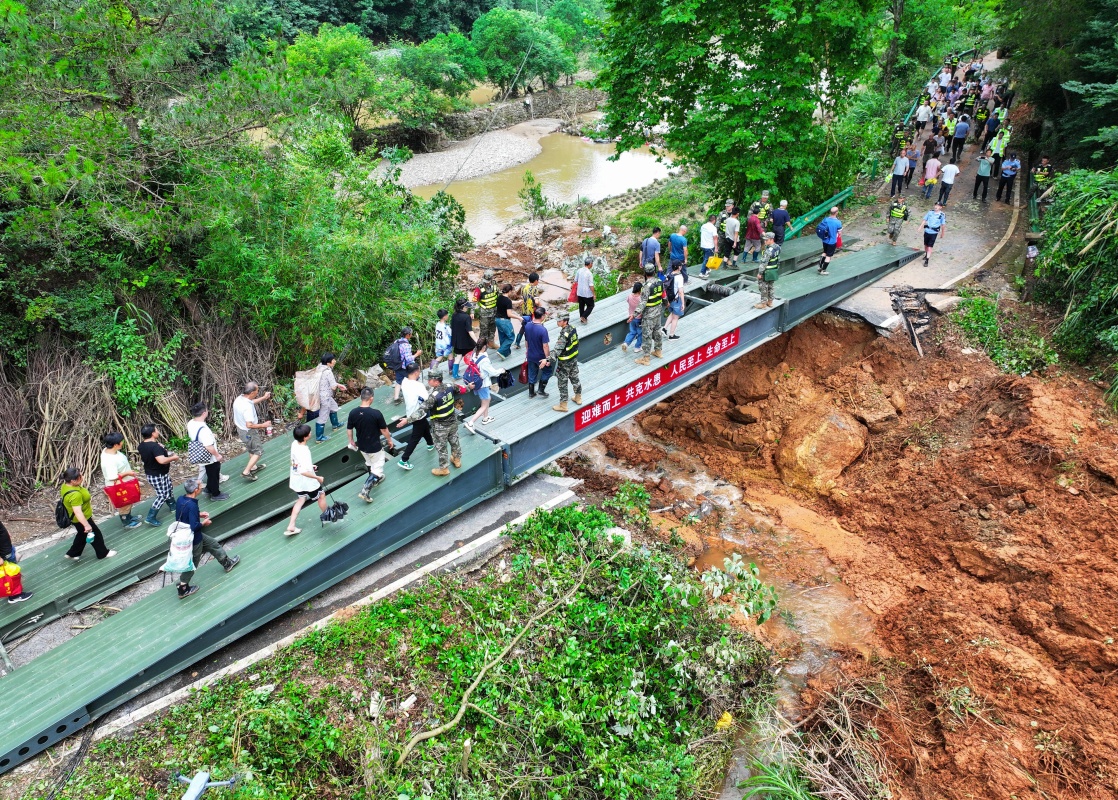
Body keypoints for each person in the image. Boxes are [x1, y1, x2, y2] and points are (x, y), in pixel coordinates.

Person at [174, 478, 239, 598]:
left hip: (191, 535)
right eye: (200, 486)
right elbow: (194, 526)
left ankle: (227, 563)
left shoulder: (181, 499)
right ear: (195, 490)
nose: (202, 487)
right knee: (193, 563)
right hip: (194, 539)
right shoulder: (192, 505)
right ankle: (183, 587)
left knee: (213, 544)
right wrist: (204, 523)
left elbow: (181, 515)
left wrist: (198, 514)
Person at [399, 372, 466, 477]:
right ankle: (457, 460)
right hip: (452, 421)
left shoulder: (434, 397)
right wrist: (470, 387)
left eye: (429, 379)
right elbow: (461, 389)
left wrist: (408, 420)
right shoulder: (450, 386)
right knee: (455, 441)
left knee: (441, 447)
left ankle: (444, 469)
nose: (427, 381)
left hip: (440, 426)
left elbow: (421, 411)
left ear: (435, 381)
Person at [347, 387, 394, 503]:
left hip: (362, 445)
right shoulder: (376, 414)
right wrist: (389, 440)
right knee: (378, 467)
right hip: (374, 446)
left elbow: (349, 429)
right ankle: (365, 490)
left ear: (361, 397)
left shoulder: (353, 412)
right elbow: (384, 430)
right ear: (371, 398)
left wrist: (351, 440)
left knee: (369, 462)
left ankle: (375, 480)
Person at [60, 467, 116, 561]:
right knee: (95, 534)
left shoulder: (65, 486)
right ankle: (103, 553)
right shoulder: (75, 495)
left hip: (77, 519)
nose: (82, 477)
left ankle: (73, 553)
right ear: (73, 481)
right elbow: (77, 511)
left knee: (82, 535)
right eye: (80, 476)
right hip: (82, 519)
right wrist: (86, 525)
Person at [286, 424, 327, 535]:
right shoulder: (304, 451)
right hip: (307, 482)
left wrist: (311, 466)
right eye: (309, 433)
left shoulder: (294, 444)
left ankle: (291, 525)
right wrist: (317, 477)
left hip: (296, 480)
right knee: (321, 495)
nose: (311, 433)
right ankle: (327, 516)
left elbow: (298, 464)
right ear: (305, 437)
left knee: (301, 499)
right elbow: (303, 471)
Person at [187, 402, 229, 501]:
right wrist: (217, 455)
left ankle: (208, 489)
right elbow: (208, 446)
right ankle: (215, 494)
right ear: (204, 413)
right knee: (214, 473)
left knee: (210, 472)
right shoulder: (203, 429)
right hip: (208, 455)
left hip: (199, 453)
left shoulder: (191, 423)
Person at [138, 423, 178, 527]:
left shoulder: (142, 445)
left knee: (168, 487)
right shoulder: (155, 447)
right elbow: (161, 460)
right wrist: (173, 458)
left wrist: (162, 449)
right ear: (152, 433)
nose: (158, 432)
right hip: (158, 475)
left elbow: (152, 453)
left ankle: (173, 507)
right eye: (156, 430)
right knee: (162, 495)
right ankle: (150, 517)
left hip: (153, 473)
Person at [396, 363, 434, 471]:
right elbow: (427, 398)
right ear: (416, 372)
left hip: (410, 412)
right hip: (417, 414)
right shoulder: (418, 385)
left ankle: (430, 444)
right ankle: (404, 459)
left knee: (425, 427)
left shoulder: (404, 381)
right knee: (415, 437)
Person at [232, 382, 272, 480]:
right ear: (252, 392)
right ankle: (246, 472)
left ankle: (253, 467)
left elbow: (251, 402)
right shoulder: (247, 407)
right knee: (258, 451)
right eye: (257, 390)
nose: (258, 391)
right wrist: (264, 425)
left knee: (251, 449)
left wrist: (263, 398)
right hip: (248, 431)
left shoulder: (240, 398)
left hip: (241, 430)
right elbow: (249, 424)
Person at [101, 431, 141, 529]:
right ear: (115, 445)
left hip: (125, 483)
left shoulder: (110, 450)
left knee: (129, 501)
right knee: (124, 503)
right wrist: (127, 473)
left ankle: (129, 517)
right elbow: (112, 476)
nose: (123, 442)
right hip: (118, 486)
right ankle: (126, 522)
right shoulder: (109, 460)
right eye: (121, 441)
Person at [465, 341, 504, 432]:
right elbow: (493, 372)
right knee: (484, 404)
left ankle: (486, 417)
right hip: (483, 384)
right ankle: (471, 422)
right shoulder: (484, 360)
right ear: (484, 347)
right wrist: (501, 370)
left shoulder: (474, 354)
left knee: (487, 398)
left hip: (476, 382)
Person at [633, 260, 664, 366]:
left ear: (645, 273)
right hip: (658, 312)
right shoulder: (660, 281)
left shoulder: (646, 286)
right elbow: (663, 295)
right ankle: (658, 351)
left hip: (649, 315)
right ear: (654, 271)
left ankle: (646, 358)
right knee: (657, 332)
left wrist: (634, 315)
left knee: (647, 335)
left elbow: (643, 303)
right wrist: (667, 303)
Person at [550, 312, 583, 413]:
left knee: (562, 383)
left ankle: (563, 405)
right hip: (573, 359)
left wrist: (548, 359)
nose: (557, 322)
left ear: (565, 322)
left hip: (565, 362)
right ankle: (578, 397)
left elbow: (557, 350)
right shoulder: (572, 328)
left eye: (559, 321)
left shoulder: (564, 335)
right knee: (575, 378)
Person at [524, 307, 554, 398]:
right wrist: (547, 358)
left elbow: (526, 341)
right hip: (540, 356)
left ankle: (531, 393)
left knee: (532, 373)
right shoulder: (542, 330)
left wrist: (527, 351)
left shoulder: (527, 325)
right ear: (542, 316)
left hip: (531, 354)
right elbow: (545, 346)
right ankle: (541, 389)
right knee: (548, 371)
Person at [388, 328, 421, 405]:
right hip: (405, 367)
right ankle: (416, 396)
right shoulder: (406, 345)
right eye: (411, 334)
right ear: (408, 335)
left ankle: (396, 398)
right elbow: (408, 359)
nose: (411, 335)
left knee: (399, 381)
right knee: (415, 379)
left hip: (397, 365)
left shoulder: (397, 341)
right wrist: (417, 354)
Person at [0, 520, 30, 603]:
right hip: (5, 552)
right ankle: (15, 596)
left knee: (12, 571)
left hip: (6, 547)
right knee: (12, 574)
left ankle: (12, 591)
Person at [315, 352, 343, 442]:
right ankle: (319, 437)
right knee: (323, 416)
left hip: (322, 395)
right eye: (333, 360)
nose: (335, 361)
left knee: (334, 407)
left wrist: (337, 384)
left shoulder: (319, 367)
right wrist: (338, 385)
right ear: (328, 363)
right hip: (325, 397)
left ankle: (335, 425)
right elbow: (333, 386)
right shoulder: (327, 372)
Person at [512, 273, 542, 351]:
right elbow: (536, 301)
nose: (538, 282)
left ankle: (517, 342)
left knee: (524, 326)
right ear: (535, 281)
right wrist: (541, 306)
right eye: (538, 280)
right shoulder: (535, 289)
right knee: (532, 327)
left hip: (524, 310)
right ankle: (532, 343)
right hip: (531, 311)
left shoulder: (524, 287)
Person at [450, 298, 476, 380]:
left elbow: (452, 327)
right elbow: (470, 331)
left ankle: (455, 375)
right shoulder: (466, 317)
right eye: (466, 307)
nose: (467, 308)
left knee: (458, 357)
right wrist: (477, 341)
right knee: (472, 356)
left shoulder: (454, 315)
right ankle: (472, 372)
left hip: (457, 341)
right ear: (463, 307)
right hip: (466, 342)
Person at [754, 232, 780, 309]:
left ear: (771, 239)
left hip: (766, 272)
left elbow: (764, 263)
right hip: (773, 271)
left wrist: (760, 273)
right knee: (771, 286)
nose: (765, 241)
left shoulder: (769, 251)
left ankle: (763, 303)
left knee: (763, 287)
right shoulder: (777, 247)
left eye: (766, 240)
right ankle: (770, 302)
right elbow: (778, 259)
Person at [475, 269, 499, 348]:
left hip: (494, 312)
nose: (487, 283)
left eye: (488, 281)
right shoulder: (479, 287)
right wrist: (472, 312)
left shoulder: (495, 284)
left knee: (492, 329)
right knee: (483, 332)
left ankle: (491, 343)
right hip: (484, 313)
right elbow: (474, 300)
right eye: (485, 281)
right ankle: (480, 347)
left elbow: (499, 296)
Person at [816, 207, 842, 276]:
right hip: (832, 241)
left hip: (825, 240)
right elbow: (839, 233)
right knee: (828, 256)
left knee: (824, 252)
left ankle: (819, 266)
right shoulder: (838, 222)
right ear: (836, 212)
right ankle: (823, 270)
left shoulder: (825, 219)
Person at [665, 261, 685, 339]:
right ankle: (671, 335)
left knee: (673, 313)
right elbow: (681, 291)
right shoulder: (679, 277)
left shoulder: (669, 274)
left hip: (669, 299)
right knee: (676, 318)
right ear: (679, 267)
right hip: (676, 299)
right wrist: (683, 303)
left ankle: (664, 328)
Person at [621, 282, 644, 352]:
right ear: (640, 290)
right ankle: (637, 347)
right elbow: (642, 308)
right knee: (640, 333)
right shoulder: (640, 298)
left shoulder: (630, 296)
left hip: (631, 316)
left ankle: (626, 343)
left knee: (632, 332)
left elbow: (628, 301)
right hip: (639, 318)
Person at [495, 285, 516, 359]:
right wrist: (519, 317)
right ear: (510, 291)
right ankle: (501, 351)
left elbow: (507, 302)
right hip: (505, 321)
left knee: (502, 336)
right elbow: (509, 314)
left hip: (497, 320)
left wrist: (517, 302)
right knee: (511, 337)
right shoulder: (508, 301)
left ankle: (505, 353)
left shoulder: (499, 297)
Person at [575, 257, 596, 323]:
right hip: (587, 293)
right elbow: (591, 285)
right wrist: (593, 294)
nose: (592, 265)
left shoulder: (579, 270)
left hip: (580, 292)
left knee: (581, 306)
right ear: (590, 264)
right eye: (592, 263)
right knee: (591, 305)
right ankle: (583, 317)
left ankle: (582, 318)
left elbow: (575, 280)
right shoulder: (589, 273)